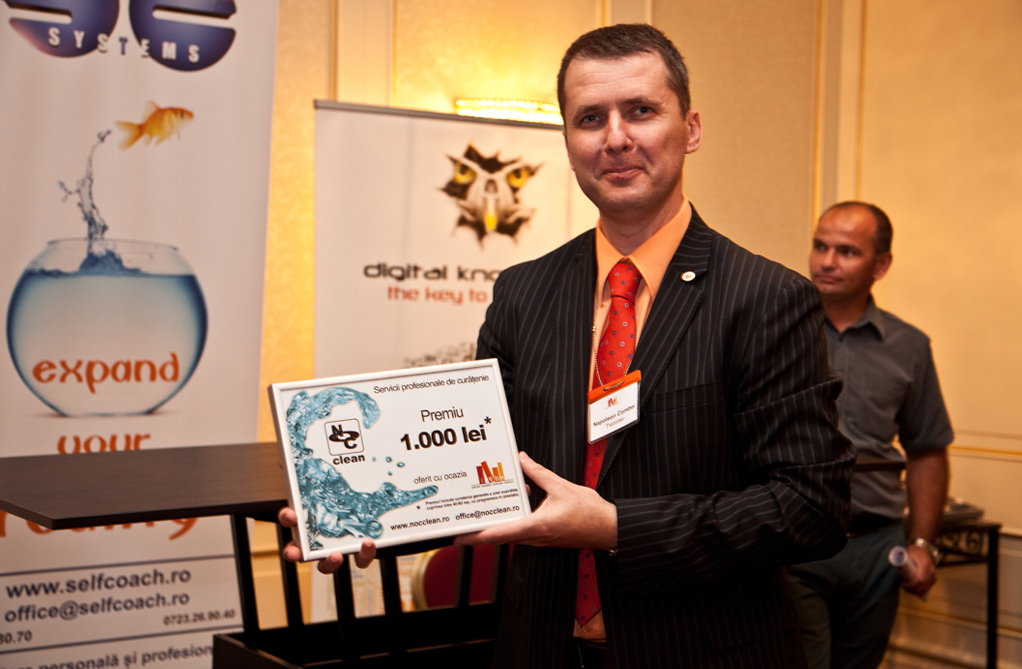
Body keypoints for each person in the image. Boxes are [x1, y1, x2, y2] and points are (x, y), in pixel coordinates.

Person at [280, 24, 854, 668]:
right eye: (590, 118)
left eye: (641, 110)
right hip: (540, 649)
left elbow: (811, 507)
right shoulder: (523, 292)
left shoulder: (767, 297)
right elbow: (470, 468)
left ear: (690, 129)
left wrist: (616, 528)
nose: (616, 138)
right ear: (568, 141)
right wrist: (354, 513)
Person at [787, 201, 953, 669]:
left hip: (878, 548)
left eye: (847, 251)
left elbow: (927, 450)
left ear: (881, 265)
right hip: (796, 540)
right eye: (820, 246)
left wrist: (922, 545)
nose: (827, 261)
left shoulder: (909, 346)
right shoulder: (777, 332)